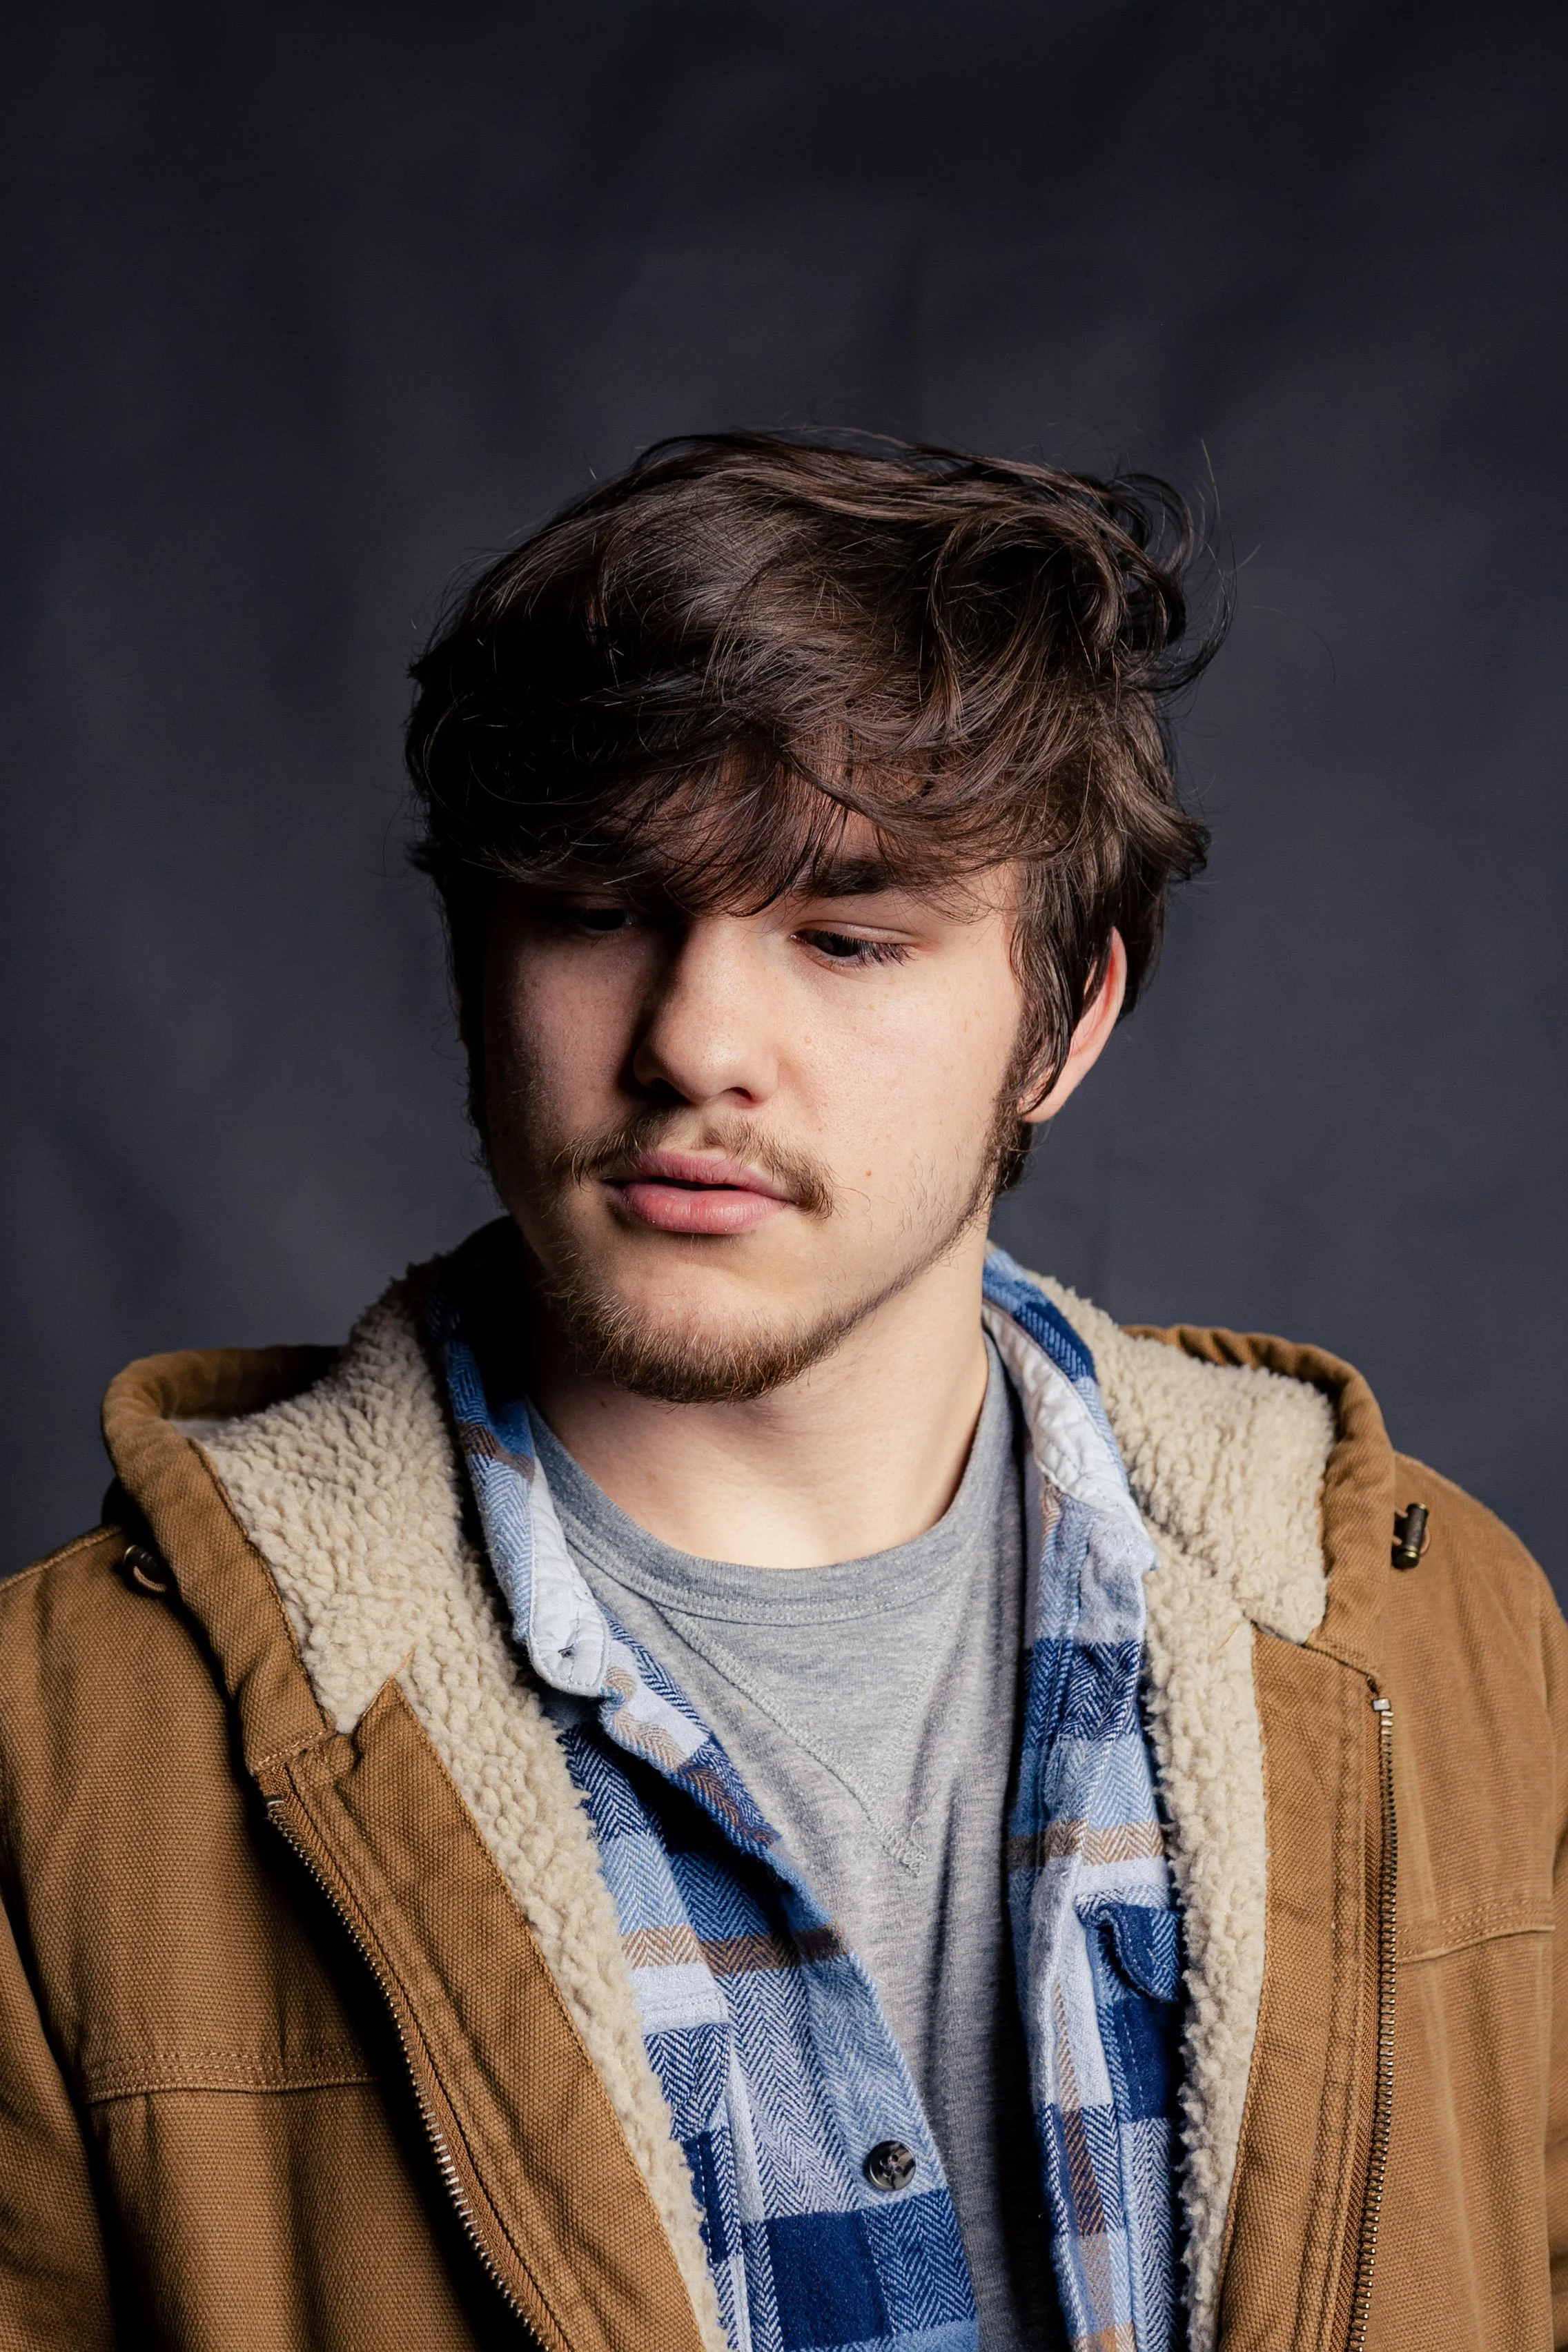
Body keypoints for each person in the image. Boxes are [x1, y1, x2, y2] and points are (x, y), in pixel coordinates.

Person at [0, 435, 1561, 2352]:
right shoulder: (69, 1748)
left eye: (846, 936)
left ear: (1066, 1020)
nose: (694, 1041)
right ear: (474, 961)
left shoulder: (1439, 1637)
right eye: (596, 908)